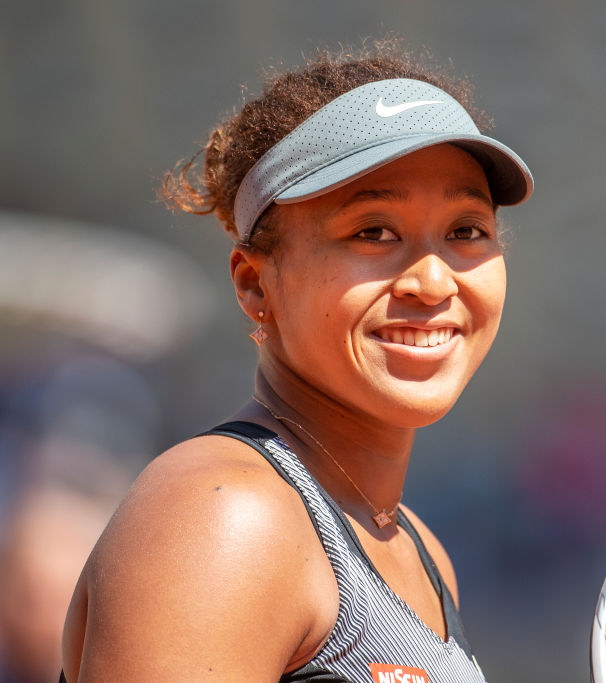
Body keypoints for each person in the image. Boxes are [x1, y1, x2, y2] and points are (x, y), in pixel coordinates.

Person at [60, 41, 533, 683]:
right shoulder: (225, 515)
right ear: (256, 284)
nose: (432, 280)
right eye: (373, 231)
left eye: (466, 230)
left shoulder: (419, 550)